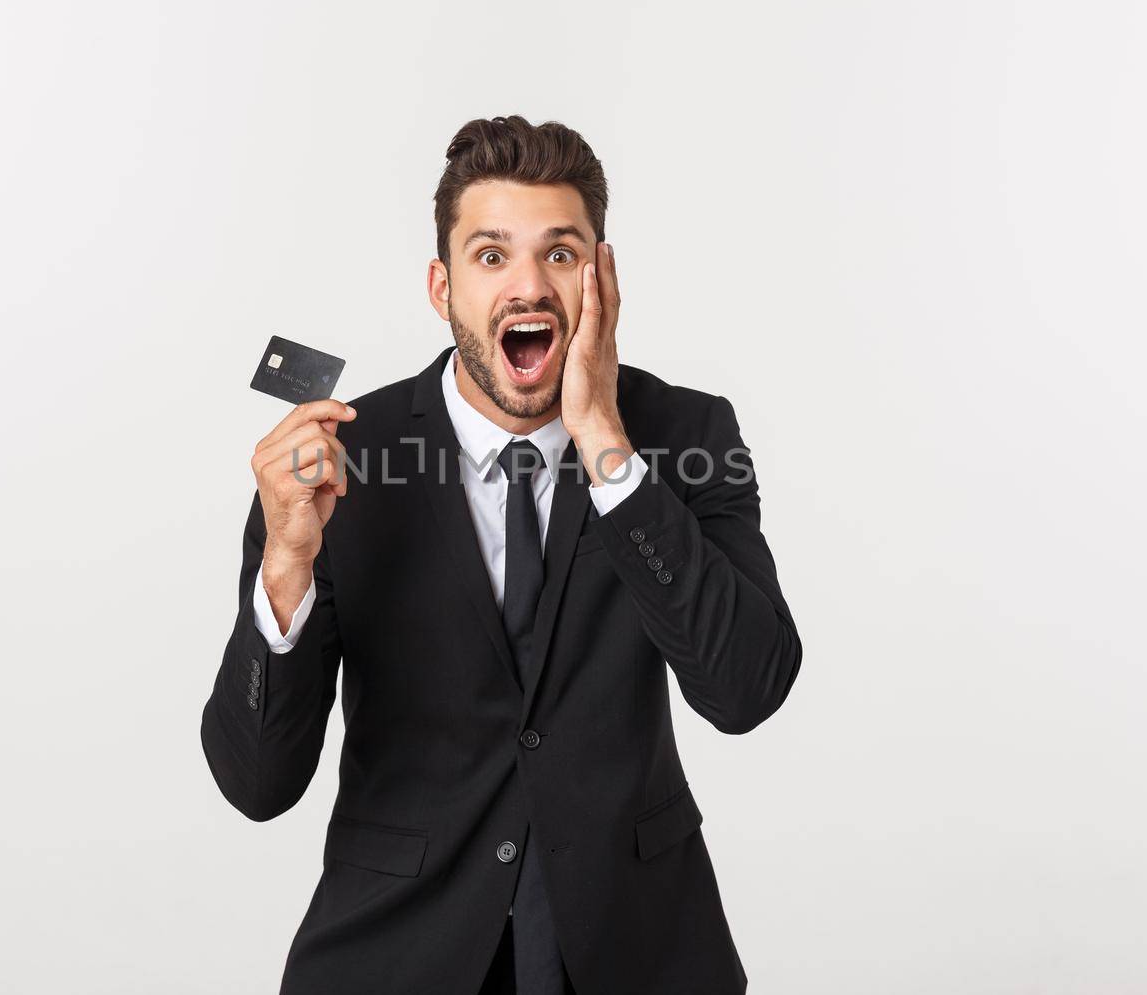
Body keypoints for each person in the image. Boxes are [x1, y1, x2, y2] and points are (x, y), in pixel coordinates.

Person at [201, 115, 804, 994]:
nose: (528, 285)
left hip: (639, 948)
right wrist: (286, 565)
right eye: (491, 256)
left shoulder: (687, 434)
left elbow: (749, 687)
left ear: (602, 277)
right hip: (398, 953)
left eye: (560, 254)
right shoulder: (334, 467)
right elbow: (257, 783)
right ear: (442, 285)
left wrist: (607, 448)